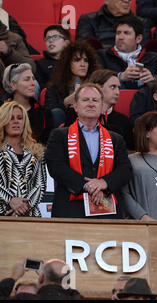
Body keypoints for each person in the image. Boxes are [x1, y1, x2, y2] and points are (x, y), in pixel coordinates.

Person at [45, 83, 132, 219]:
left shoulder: (116, 138)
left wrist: (104, 183)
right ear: (75, 106)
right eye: (85, 100)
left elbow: (125, 169)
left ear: (102, 106)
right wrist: (87, 185)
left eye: (95, 100)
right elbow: (56, 167)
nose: (91, 104)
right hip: (70, 211)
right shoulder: (59, 135)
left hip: (107, 211)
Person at [0, 101, 46, 217]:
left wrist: (23, 206)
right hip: (3, 212)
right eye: (11, 118)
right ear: (3, 122)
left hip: (30, 214)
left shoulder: (37, 150)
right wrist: (11, 200)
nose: (16, 121)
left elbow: (40, 185)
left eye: (19, 118)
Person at [44, 41, 100, 128]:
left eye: (86, 60)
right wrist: (66, 102)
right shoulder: (55, 87)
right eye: (77, 60)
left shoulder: (96, 85)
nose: (83, 64)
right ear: (67, 63)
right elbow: (50, 112)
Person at [97, 16, 157, 90]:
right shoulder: (102, 56)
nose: (120, 37)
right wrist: (120, 77)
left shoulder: (152, 58)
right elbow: (96, 81)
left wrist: (152, 81)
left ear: (138, 38)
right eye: (118, 33)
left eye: (126, 33)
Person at [2, 63, 54, 144]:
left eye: (33, 79)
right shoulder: (2, 112)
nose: (33, 83)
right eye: (27, 79)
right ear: (13, 85)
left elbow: (48, 144)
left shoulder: (44, 113)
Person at [87, 69, 135, 150]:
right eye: (113, 87)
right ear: (98, 88)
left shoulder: (123, 120)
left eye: (118, 88)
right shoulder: (80, 115)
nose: (117, 92)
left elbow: (130, 150)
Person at [76, 0, 152, 49]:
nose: (127, 1)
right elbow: (85, 51)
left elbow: (143, 52)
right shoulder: (88, 20)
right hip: (100, 68)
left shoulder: (142, 23)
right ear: (107, 1)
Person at [35, 25, 71, 90]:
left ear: (66, 43)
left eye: (55, 37)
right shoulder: (40, 64)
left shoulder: (74, 61)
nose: (50, 40)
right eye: (47, 38)